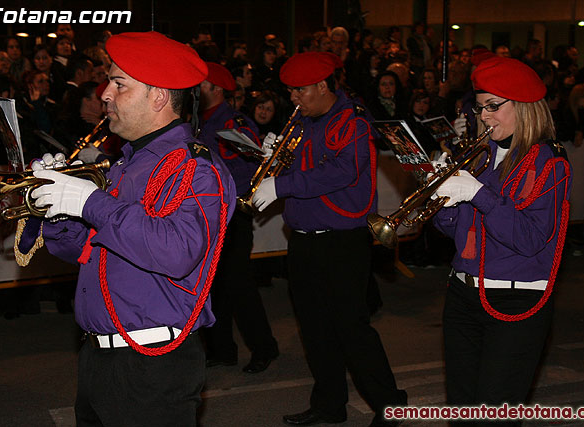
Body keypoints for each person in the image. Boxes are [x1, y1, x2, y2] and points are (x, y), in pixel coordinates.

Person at [22, 31, 235, 426]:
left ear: (158, 96)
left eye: (119, 84)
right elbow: (85, 252)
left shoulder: (195, 168)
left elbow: (176, 252)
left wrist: (89, 202)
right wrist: (56, 209)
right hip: (99, 358)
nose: (105, 94)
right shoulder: (126, 164)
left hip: (151, 367)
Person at [253, 52, 407, 427]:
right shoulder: (304, 120)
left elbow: (340, 171)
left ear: (323, 85)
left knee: (351, 328)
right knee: (315, 327)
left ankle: (390, 403)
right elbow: (307, 165)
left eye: (300, 90)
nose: (294, 98)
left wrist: (283, 183)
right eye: (291, 91)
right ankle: (329, 403)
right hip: (304, 238)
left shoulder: (350, 121)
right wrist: (274, 157)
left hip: (341, 240)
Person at [431, 56, 572, 416]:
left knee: (495, 413)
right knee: (463, 409)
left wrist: (477, 194)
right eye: (480, 108)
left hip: (515, 301)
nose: (484, 117)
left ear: (524, 107)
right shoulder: (479, 156)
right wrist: (442, 196)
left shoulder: (548, 162)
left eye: (494, 106)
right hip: (463, 293)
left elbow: (529, 239)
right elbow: (454, 231)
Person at [197, 61, 279, 373]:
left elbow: (248, 172)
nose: (195, 90)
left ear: (216, 89)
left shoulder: (234, 123)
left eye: (201, 85)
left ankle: (263, 347)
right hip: (204, 216)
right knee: (211, 287)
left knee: (240, 286)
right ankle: (221, 349)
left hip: (230, 216)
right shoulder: (195, 123)